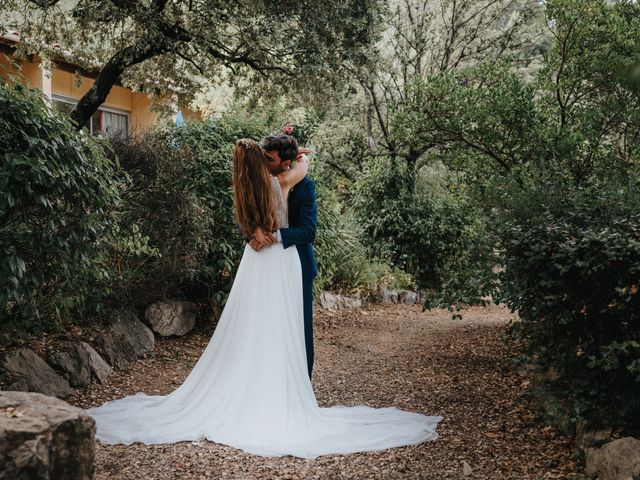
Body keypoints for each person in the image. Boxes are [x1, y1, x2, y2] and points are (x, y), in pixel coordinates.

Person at [86, 138, 442, 459]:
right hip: (271, 265)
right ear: (268, 162)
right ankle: (278, 399)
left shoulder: (253, 184)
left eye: (274, 158)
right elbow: (295, 173)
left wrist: (268, 232)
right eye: (267, 158)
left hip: (276, 263)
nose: (271, 163)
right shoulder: (280, 180)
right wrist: (296, 164)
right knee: (263, 328)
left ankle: (297, 392)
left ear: (278, 161)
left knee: (288, 331)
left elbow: (306, 229)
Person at [250, 134, 317, 380]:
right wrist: (253, 232)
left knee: (299, 330)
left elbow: (309, 231)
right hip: (265, 268)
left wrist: (274, 235)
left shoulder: (305, 187)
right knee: (264, 327)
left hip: (298, 267)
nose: (264, 163)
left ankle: (302, 390)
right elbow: (243, 216)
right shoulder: (259, 182)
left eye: (269, 160)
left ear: (285, 164)